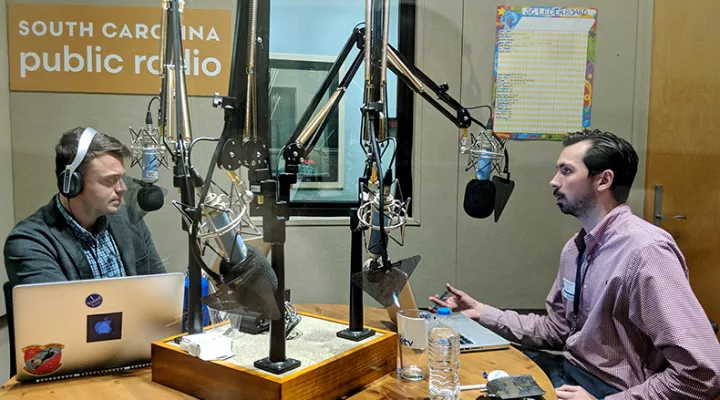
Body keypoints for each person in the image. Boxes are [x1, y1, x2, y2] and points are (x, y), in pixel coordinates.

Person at [430, 129, 720, 399]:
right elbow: (559, 331)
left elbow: (703, 373)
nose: (553, 181)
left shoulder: (646, 253)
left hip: (608, 389)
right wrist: (481, 312)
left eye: (566, 171)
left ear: (603, 180)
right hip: (569, 372)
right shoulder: (575, 248)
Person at [4, 127, 166, 286]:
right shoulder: (30, 242)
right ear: (72, 183)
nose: (122, 188)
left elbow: (160, 289)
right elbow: (56, 310)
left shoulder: (130, 222)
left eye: (121, 178)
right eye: (110, 180)